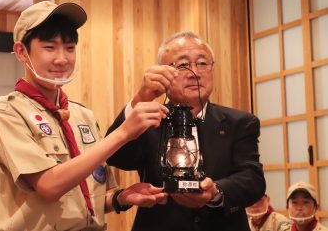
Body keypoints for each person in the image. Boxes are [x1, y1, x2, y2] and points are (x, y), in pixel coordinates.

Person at [0, 1, 169, 231]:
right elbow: (49, 186)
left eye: (70, 48)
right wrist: (123, 133)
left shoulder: (82, 115)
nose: (62, 59)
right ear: (22, 52)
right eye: (49, 47)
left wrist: (122, 198)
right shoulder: (8, 112)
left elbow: (90, 199)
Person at [106, 31, 266, 231]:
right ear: (162, 73)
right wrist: (141, 98)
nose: (195, 72)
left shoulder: (240, 122)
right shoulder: (150, 118)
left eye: (202, 63)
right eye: (182, 65)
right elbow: (117, 158)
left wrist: (215, 192)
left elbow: (252, 180)